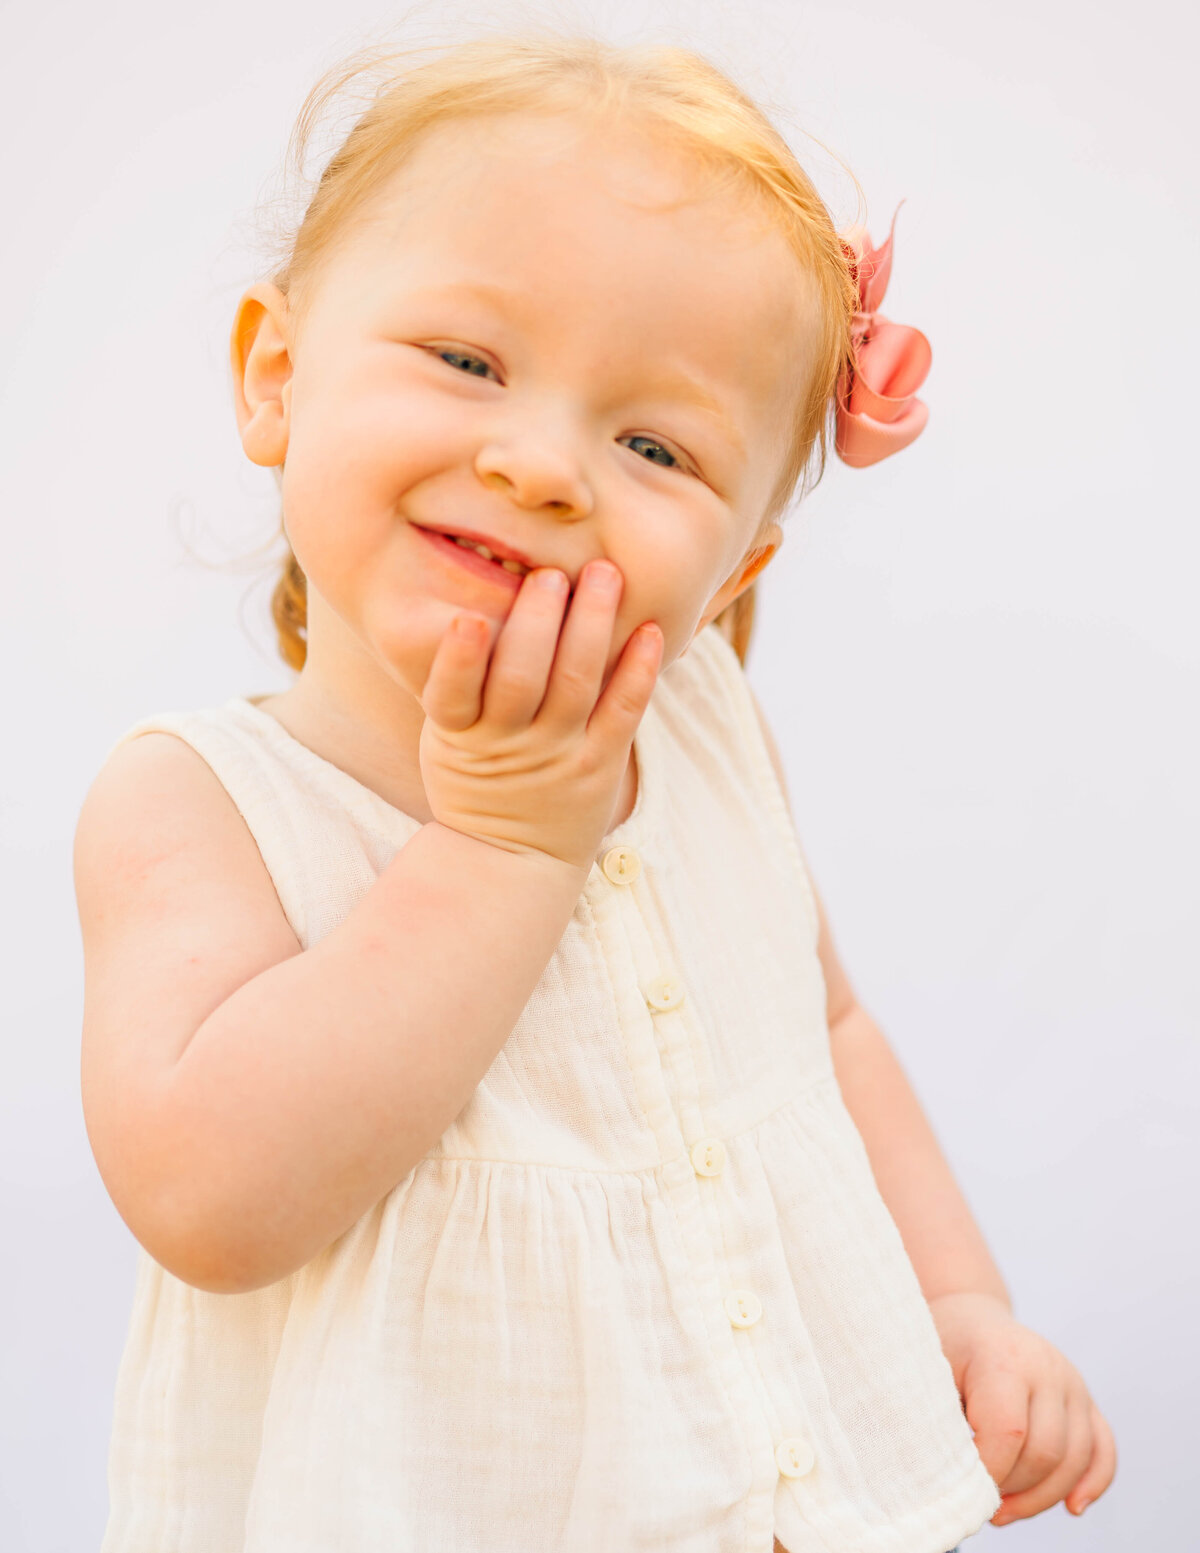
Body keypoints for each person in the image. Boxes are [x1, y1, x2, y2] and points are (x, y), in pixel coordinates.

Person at [74, 29, 1116, 1553]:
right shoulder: (202, 803)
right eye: (469, 361)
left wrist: (957, 1299)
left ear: (740, 560)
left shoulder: (697, 726)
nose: (547, 466)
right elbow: (208, 1201)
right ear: (277, 377)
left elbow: (827, 1030)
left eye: (653, 443)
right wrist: (501, 843)